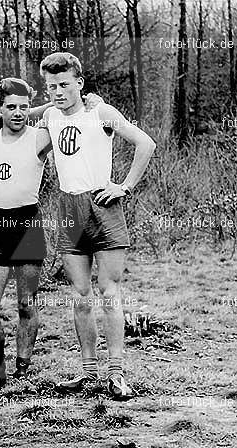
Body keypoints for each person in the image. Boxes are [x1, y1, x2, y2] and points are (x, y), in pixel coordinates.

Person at [0, 78, 102, 390]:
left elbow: (71, 115)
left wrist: (92, 102)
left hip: (27, 223)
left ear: (31, 109)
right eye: (10, 107)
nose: (17, 113)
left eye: (23, 107)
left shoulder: (42, 135)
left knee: (27, 304)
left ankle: (22, 369)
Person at [40, 52, 156, 400]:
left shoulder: (100, 112)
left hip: (103, 204)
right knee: (79, 294)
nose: (58, 92)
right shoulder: (48, 114)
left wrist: (124, 185)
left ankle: (117, 373)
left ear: (80, 83)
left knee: (109, 291)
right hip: (69, 205)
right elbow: (21, 114)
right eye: (50, 86)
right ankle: (88, 372)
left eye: (64, 85)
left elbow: (145, 143)